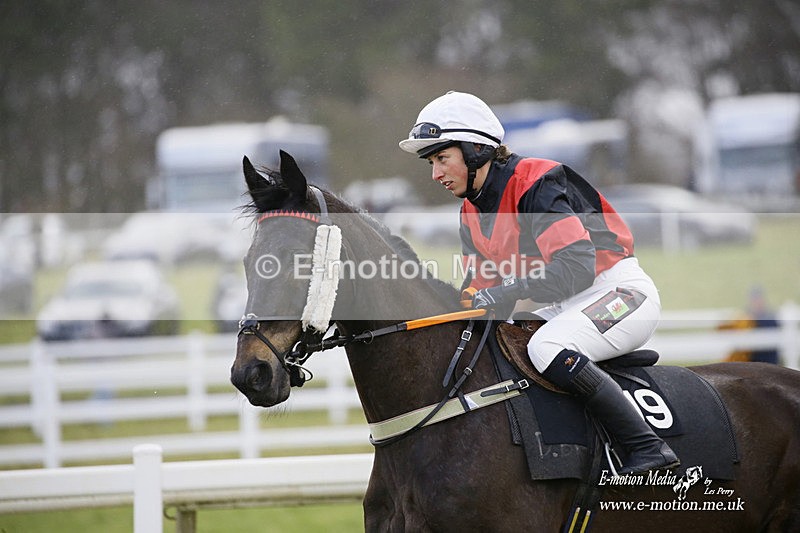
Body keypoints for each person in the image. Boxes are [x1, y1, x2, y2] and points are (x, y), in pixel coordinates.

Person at [399, 91, 679, 475]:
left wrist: (505, 292)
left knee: (547, 346)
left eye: (442, 158)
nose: (436, 174)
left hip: (620, 293)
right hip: (566, 304)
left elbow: (574, 268)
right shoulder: (470, 210)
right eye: (430, 162)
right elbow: (478, 289)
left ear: (476, 149)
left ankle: (647, 446)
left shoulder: (535, 181)